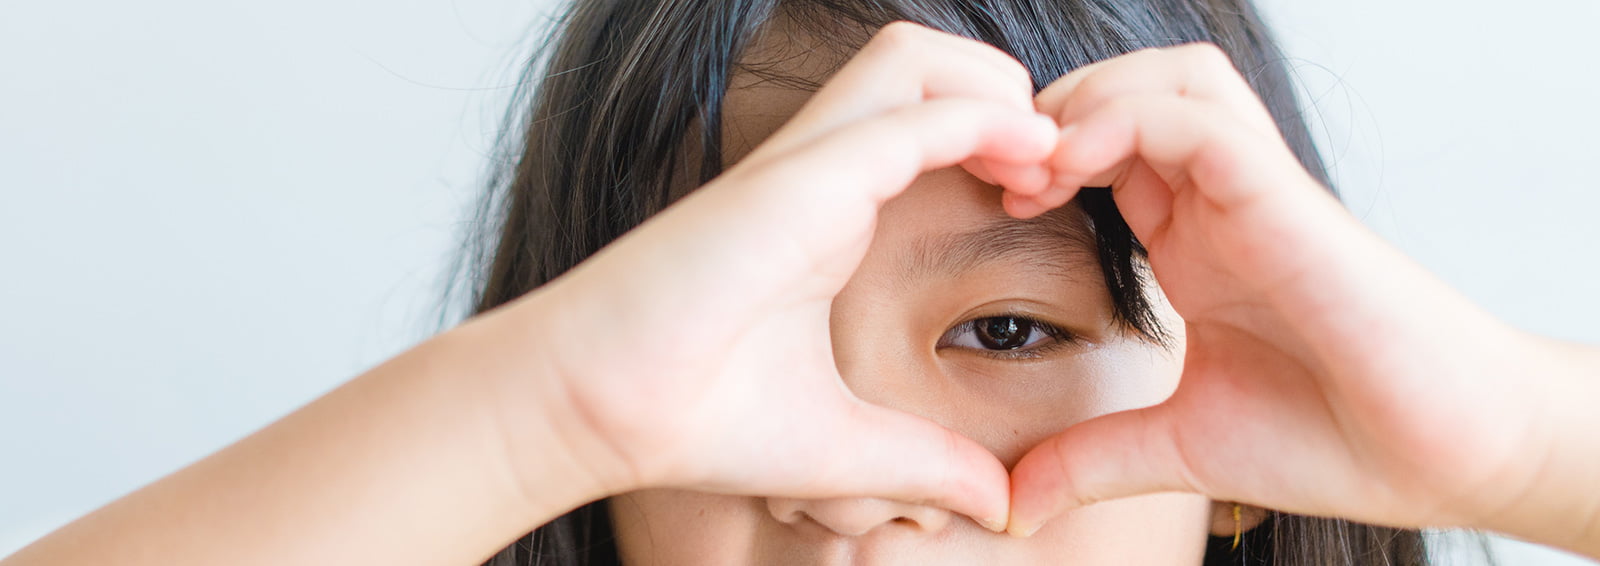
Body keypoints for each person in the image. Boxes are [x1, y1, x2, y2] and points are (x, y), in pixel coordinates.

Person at [4, 1, 1598, 566]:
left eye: (1005, 327)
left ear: (1248, 459)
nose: (848, 482)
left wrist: (1520, 446)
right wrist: (540, 412)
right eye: (743, 330)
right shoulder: (557, 423)